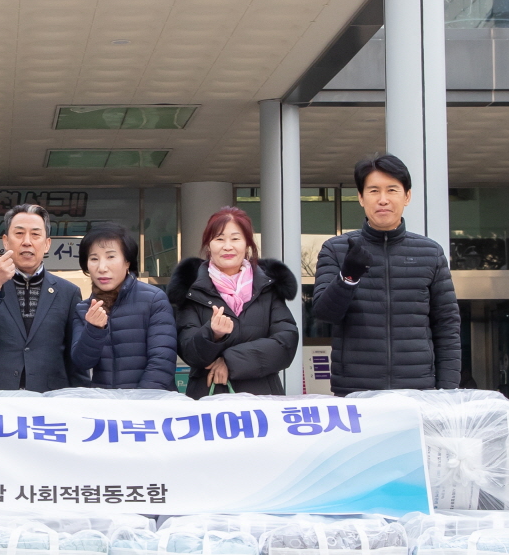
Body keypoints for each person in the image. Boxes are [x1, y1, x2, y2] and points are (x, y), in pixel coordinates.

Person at [312, 153, 460, 394]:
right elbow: (324, 314)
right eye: (373, 191)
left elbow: (447, 325)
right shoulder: (336, 249)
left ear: (407, 196)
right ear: (361, 197)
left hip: (417, 390)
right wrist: (348, 278)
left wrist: (447, 391)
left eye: (392, 190)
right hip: (355, 391)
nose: (383, 200)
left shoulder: (430, 252)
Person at [169, 206, 299, 398]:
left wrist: (230, 361)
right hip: (209, 399)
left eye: (235, 239)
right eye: (219, 239)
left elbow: (286, 343)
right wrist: (212, 334)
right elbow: (188, 351)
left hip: (262, 400)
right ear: (208, 245)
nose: (227, 246)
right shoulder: (192, 289)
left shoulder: (268, 287)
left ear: (247, 244)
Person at [0, 203, 76, 391]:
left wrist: (81, 395)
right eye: (19, 233)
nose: (27, 242)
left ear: (47, 244)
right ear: (6, 241)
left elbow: (74, 356)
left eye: (35, 234)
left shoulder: (68, 292)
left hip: (50, 396)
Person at [68, 224, 177, 390]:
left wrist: (136, 402)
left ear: (127, 262)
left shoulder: (154, 299)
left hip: (150, 403)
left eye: (111, 257)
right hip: (106, 404)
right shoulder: (85, 309)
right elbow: (82, 363)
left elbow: (162, 363)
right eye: (94, 259)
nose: (102, 268)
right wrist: (94, 330)